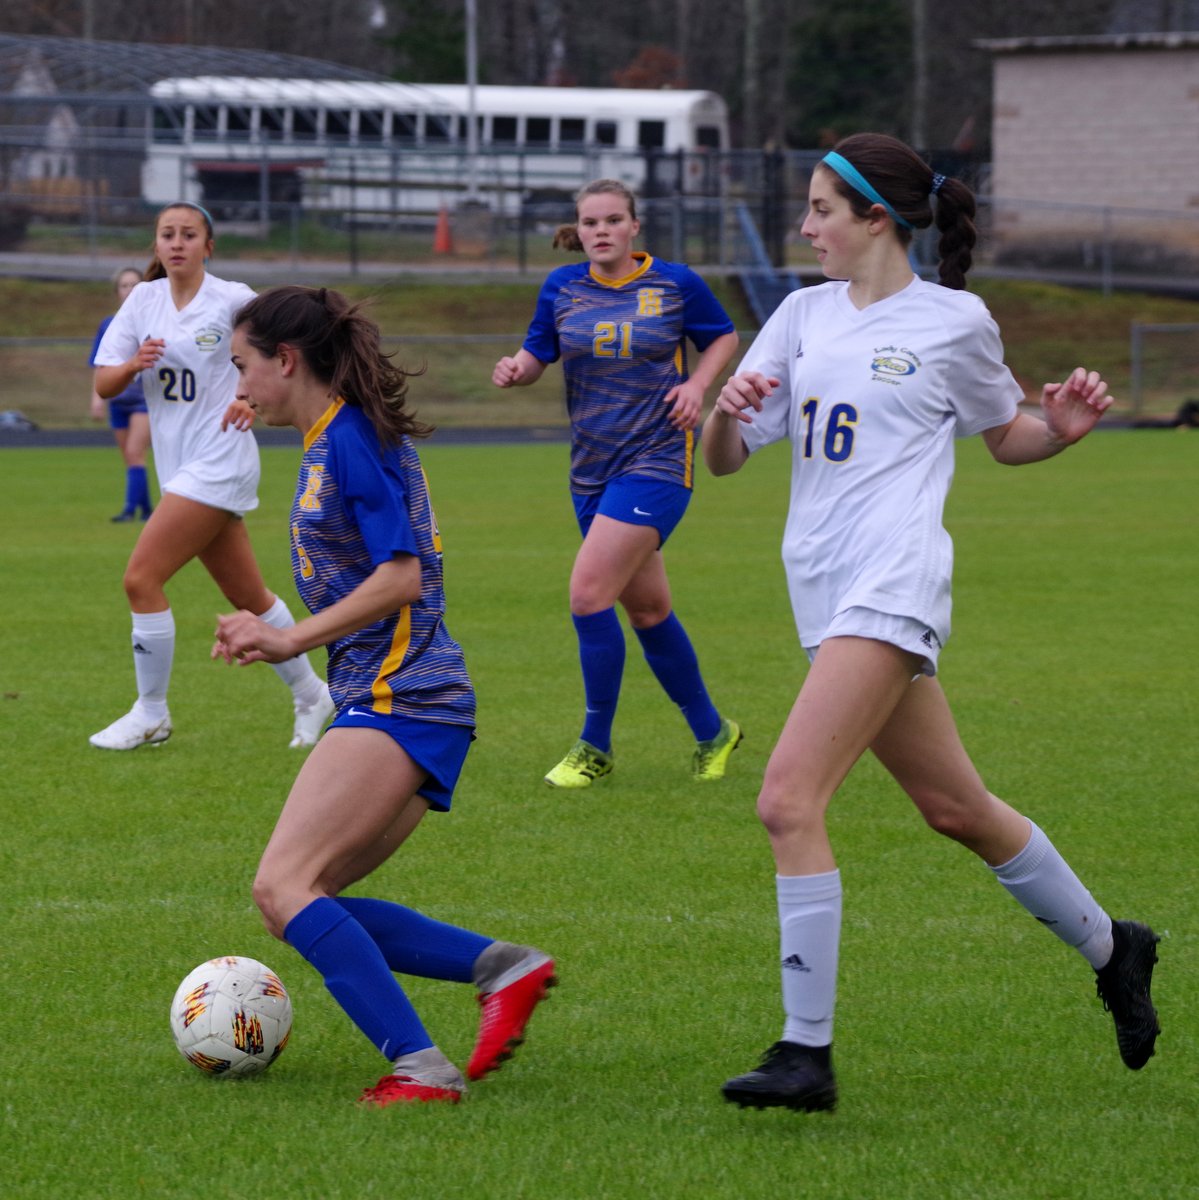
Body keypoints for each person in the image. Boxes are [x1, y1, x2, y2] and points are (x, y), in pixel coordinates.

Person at [702, 133, 1161, 1113]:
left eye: (820, 209)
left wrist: (1059, 433)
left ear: (875, 218)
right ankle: (1113, 947)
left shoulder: (953, 320)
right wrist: (722, 411)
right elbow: (726, 460)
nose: (804, 226)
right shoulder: (797, 315)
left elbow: (1005, 436)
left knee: (786, 799)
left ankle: (804, 1054)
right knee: (956, 809)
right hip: (821, 595)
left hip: (893, 583)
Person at [213, 284, 556, 1106]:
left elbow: (400, 578)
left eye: (242, 365)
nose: (239, 384)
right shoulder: (334, 437)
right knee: (300, 900)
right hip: (411, 696)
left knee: (282, 887)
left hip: (402, 695)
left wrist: (290, 638)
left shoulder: (348, 440)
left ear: (285, 360)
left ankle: (421, 1068)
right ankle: (503, 968)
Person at [493, 178, 742, 788]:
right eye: (590, 222)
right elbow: (536, 354)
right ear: (578, 231)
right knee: (650, 610)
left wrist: (696, 385)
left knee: (587, 596)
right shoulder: (562, 287)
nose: (601, 230)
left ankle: (594, 746)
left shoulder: (674, 283)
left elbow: (723, 335)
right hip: (591, 469)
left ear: (634, 226)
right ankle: (713, 731)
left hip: (657, 459)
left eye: (612, 220)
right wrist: (516, 369)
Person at [89, 202, 333, 752]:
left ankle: (151, 712)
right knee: (249, 595)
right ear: (156, 245)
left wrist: (250, 397)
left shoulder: (233, 299)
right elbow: (105, 384)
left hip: (220, 459)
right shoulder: (143, 301)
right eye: (167, 234)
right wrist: (131, 365)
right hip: (178, 466)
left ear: (208, 246)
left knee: (140, 579)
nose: (177, 243)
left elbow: (284, 351)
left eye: (188, 234)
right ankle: (312, 693)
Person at [88, 266, 154, 522]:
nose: (129, 290)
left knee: (136, 453)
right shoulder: (108, 324)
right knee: (130, 457)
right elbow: (100, 365)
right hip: (118, 401)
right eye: (124, 286)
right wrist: (97, 399)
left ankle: (129, 510)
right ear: (117, 292)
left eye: (134, 285)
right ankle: (146, 510)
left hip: (143, 400)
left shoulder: (153, 320)